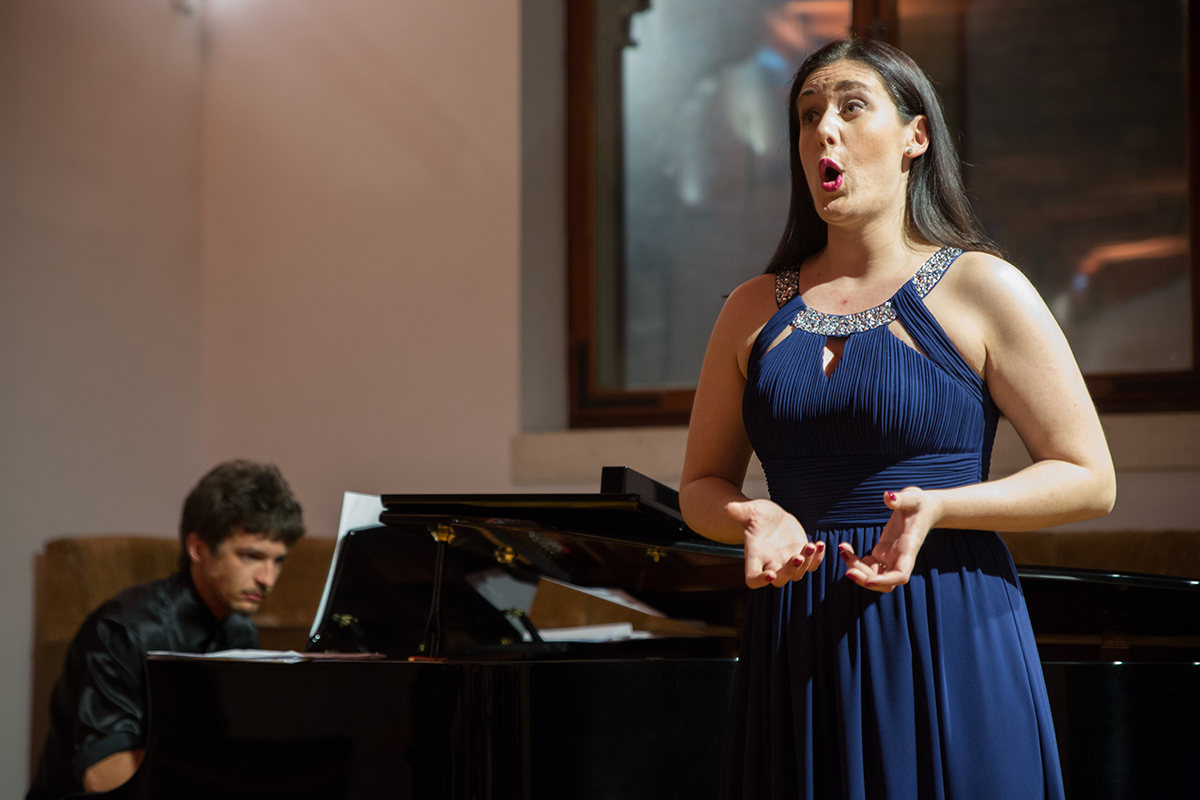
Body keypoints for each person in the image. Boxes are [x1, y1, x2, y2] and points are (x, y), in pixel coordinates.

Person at [679, 38, 1115, 799]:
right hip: (797, 640)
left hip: (948, 617)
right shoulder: (751, 308)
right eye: (808, 114)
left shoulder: (983, 287)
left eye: (852, 107)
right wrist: (754, 515)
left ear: (915, 136)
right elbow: (701, 485)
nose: (824, 129)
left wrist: (942, 506)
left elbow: (1089, 479)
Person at [27, 460, 305, 799]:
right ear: (197, 548)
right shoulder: (124, 629)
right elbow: (102, 774)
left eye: (278, 560)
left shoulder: (240, 630)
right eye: (251, 556)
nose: (268, 579)